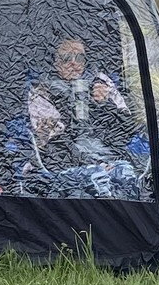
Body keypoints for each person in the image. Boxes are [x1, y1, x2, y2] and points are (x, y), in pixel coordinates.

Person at [25, 37, 146, 198]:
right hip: (70, 163)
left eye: (80, 57)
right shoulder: (42, 92)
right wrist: (95, 166)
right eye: (67, 58)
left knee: (128, 177)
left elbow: (128, 130)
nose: (74, 63)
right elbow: (56, 146)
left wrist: (105, 104)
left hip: (109, 155)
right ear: (55, 63)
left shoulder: (101, 82)